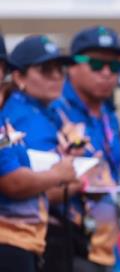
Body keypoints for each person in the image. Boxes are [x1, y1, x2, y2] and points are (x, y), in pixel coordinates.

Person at [45, 25, 120, 271]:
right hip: (64, 240)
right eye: (96, 64)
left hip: (103, 243)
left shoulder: (109, 116)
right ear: (72, 65)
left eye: (114, 66)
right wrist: (84, 180)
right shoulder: (54, 109)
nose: (106, 73)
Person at [0, 35, 79, 272]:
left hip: (26, 243)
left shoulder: (13, 123)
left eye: (60, 70)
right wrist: (62, 174)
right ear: (18, 76)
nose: (56, 76)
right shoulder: (19, 117)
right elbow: (13, 183)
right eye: (46, 69)